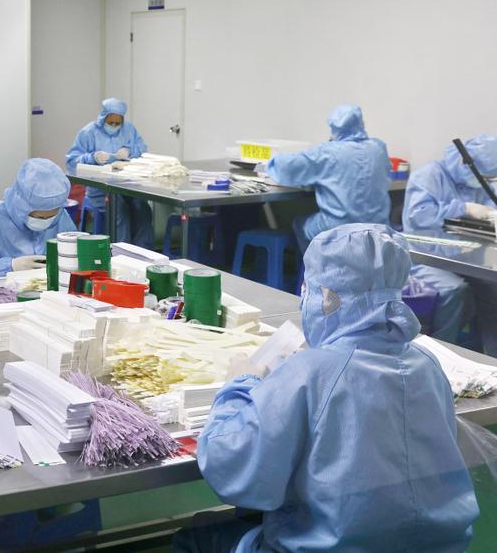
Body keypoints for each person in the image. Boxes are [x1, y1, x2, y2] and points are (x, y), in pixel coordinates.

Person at [176, 224, 478, 553]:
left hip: (335, 546)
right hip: (436, 545)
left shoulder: (309, 373)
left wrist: (238, 385)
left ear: (326, 297)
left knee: (197, 534)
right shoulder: (426, 364)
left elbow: (231, 468)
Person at [403, 135, 497, 349]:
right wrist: (463, 209)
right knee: (455, 291)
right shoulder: (429, 176)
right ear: (467, 164)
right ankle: (443, 351)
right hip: (429, 259)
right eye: (486, 175)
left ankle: (491, 359)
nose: (486, 180)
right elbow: (418, 215)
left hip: (469, 259)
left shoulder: (477, 181)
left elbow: (490, 203)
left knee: (493, 290)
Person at [262, 104, 391, 249]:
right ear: (361, 124)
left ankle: (313, 269)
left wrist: (267, 161)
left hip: (340, 229)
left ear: (334, 128)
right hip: (378, 228)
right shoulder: (378, 148)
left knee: (299, 224)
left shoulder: (328, 153)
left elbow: (287, 167)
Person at [0, 158, 78, 281]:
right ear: (21, 205)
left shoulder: (62, 217)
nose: (46, 222)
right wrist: (10, 267)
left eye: (51, 217)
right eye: (39, 217)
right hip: (0, 297)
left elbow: (75, 259)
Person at [65, 97, 153, 248]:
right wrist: (92, 158)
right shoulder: (88, 132)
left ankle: (143, 252)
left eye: (117, 123)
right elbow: (72, 161)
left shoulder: (129, 130)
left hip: (128, 186)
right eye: (110, 123)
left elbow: (142, 149)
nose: (114, 126)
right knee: (119, 210)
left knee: (142, 208)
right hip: (100, 191)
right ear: (103, 117)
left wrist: (130, 151)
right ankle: (122, 252)